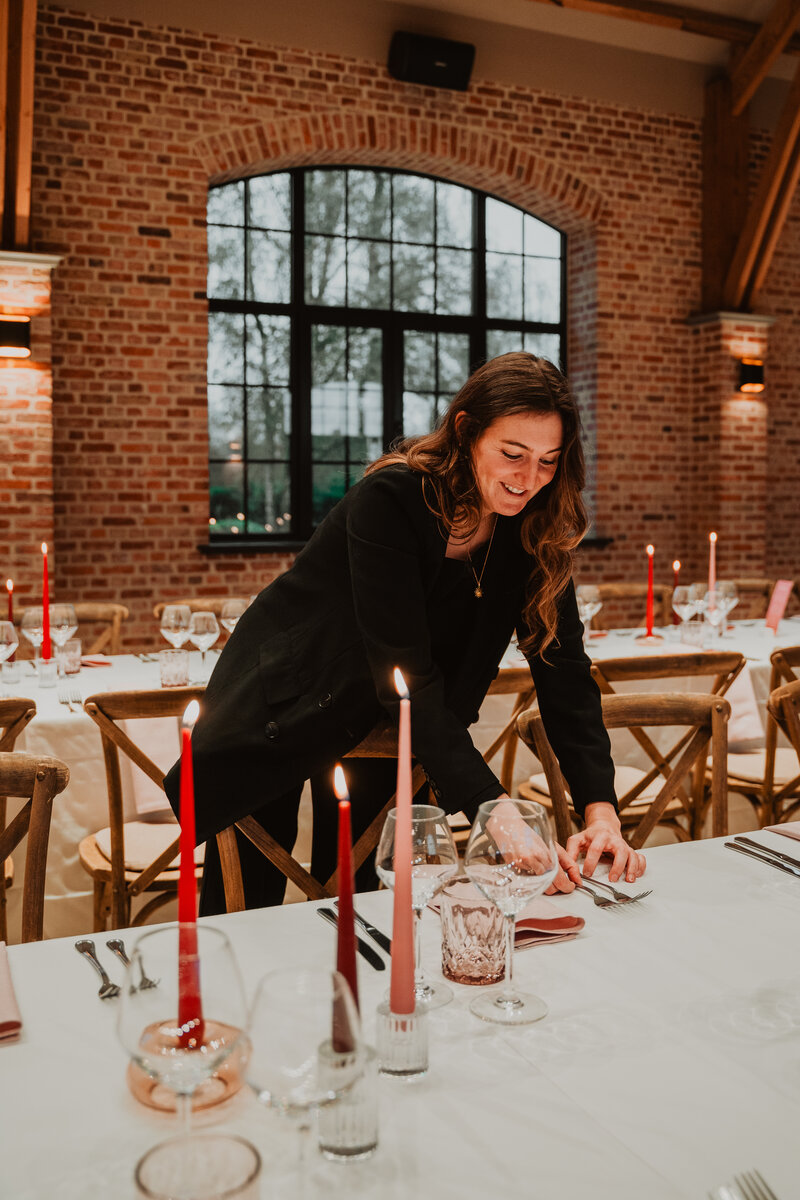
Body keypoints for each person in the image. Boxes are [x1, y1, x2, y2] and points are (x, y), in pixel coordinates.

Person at [164, 352, 646, 914]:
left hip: (399, 725)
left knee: (366, 901)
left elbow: (563, 673)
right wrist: (495, 809)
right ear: (466, 430)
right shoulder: (393, 499)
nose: (528, 480)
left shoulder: (535, 530)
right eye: (512, 455)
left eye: (547, 462)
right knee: (248, 907)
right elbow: (406, 672)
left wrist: (600, 810)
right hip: (289, 699)